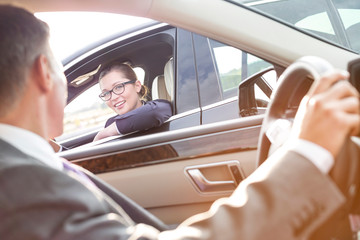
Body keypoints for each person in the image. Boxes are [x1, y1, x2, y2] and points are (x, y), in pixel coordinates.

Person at [0, 4, 359, 240]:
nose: (111, 98)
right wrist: (307, 152)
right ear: (44, 73)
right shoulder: (17, 182)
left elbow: (158, 112)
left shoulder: (26, 166)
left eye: (118, 88)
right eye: (104, 92)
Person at [93, 62, 172, 141]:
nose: (113, 98)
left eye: (119, 87)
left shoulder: (160, 107)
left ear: (137, 86)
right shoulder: (110, 123)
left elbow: (153, 113)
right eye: (106, 93)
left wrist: (102, 134)